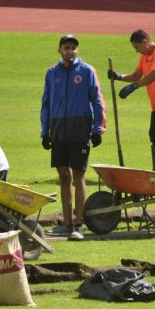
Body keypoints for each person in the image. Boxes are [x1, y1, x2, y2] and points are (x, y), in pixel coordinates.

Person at [41, 34, 106, 241]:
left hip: (80, 128)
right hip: (59, 129)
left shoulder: (87, 71)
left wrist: (98, 128)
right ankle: (66, 223)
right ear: (59, 50)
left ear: (77, 50)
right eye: (66, 47)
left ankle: (79, 224)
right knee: (63, 175)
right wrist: (45, 131)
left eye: (73, 48)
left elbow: (97, 100)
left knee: (78, 175)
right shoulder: (52, 73)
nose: (70, 51)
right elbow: (46, 103)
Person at [107, 29, 155, 174]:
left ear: (144, 42)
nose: (136, 51)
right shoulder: (145, 56)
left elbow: (154, 76)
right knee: (154, 136)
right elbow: (137, 75)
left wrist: (134, 86)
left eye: (137, 47)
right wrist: (119, 77)